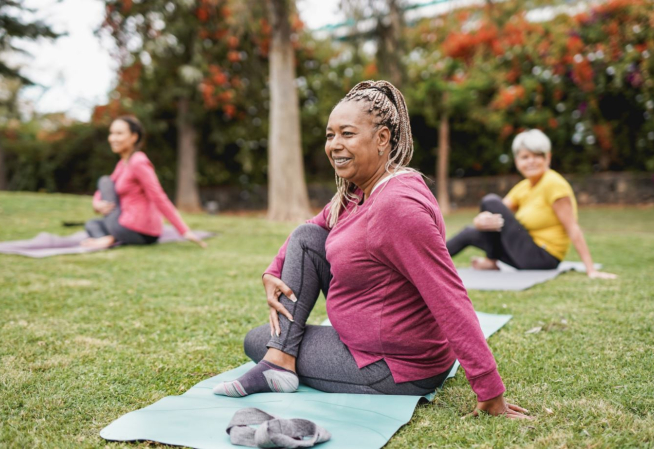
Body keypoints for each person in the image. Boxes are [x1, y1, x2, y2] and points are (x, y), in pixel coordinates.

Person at [213, 81, 530, 419]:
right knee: (307, 238)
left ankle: (278, 360)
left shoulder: (397, 206)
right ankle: (280, 360)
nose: (335, 145)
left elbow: (449, 296)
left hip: (394, 366)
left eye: (347, 134)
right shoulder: (358, 192)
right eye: (329, 135)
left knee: (256, 339)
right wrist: (272, 271)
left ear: (382, 139)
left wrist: (490, 391)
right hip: (370, 345)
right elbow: (312, 228)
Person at [446, 129, 616, 279]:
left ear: (548, 157)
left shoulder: (554, 184)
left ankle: (491, 261)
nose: (531, 161)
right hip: (523, 252)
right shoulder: (524, 187)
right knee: (470, 232)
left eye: (537, 156)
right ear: (517, 161)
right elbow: (496, 212)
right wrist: (480, 221)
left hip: (543, 257)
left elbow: (572, 227)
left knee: (490, 200)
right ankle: (426, 266)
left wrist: (591, 270)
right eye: (525, 157)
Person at [82, 116, 206, 249]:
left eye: (119, 133)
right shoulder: (122, 164)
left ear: (134, 137)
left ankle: (111, 238)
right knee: (92, 224)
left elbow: (158, 196)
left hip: (139, 229)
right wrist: (96, 203)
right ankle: (109, 239)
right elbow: (103, 190)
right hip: (124, 224)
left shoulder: (138, 161)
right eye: (111, 133)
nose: (112, 138)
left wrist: (184, 230)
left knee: (104, 180)